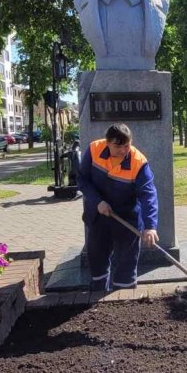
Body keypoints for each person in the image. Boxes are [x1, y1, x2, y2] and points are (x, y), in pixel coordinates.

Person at [77, 123, 159, 290]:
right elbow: (82, 179)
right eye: (118, 146)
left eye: (127, 145)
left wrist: (150, 226)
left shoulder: (138, 162)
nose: (123, 150)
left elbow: (148, 195)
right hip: (99, 215)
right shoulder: (94, 149)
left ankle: (125, 297)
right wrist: (97, 201)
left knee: (126, 262)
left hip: (126, 219)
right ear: (107, 143)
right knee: (97, 257)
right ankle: (98, 293)